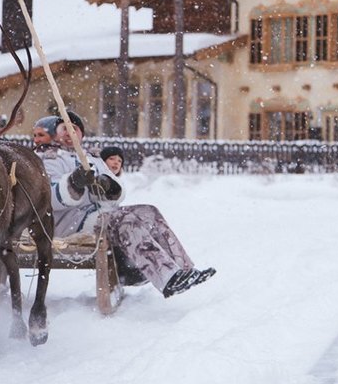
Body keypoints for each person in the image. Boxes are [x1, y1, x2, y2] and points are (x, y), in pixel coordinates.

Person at [33, 113, 215, 298]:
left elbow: (115, 196)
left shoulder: (93, 159)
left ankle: (183, 270)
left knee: (149, 212)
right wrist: (74, 183)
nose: (69, 132)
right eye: (64, 129)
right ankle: (166, 278)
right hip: (68, 224)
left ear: (81, 134)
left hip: (97, 217)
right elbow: (48, 198)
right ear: (55, 134)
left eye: (74, 128)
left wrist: (108, 187)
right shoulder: (51, 159)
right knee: (124, 220)